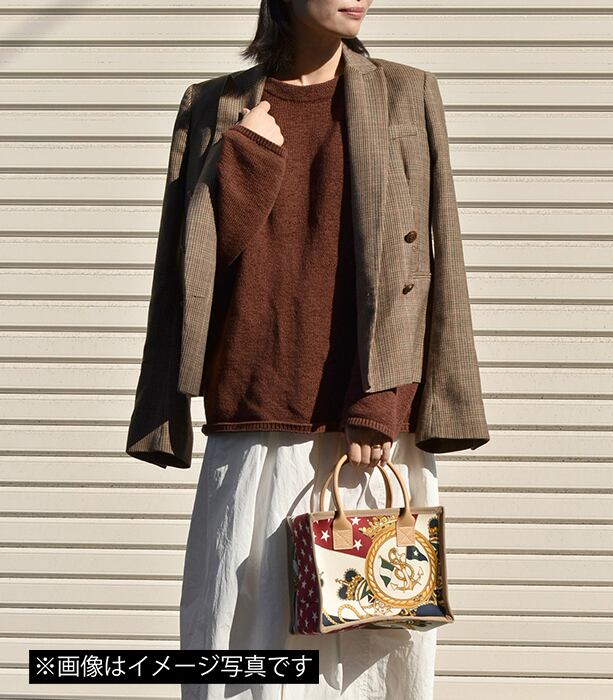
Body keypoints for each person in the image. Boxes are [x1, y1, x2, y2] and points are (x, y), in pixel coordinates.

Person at [126, 1, 490, 698]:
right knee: (243, 644)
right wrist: (247, 160)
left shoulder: (407, 93)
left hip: (370, 431)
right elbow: (191, 273)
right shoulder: (215, 107)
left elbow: (427, 261)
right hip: (256, 418)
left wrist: (385, 399)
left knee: (369, 659)